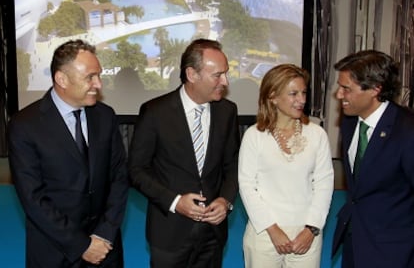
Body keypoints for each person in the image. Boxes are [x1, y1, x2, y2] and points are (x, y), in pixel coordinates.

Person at [7, 39, 129, 267]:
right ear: (61, 79)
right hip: (55, 251)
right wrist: (81, 245)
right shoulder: (25, 125)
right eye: (89, 77)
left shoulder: (105, 116)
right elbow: (33, 198)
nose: (99, 84)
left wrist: (104, 233)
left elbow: (119, 178)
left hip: (105, 249)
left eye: (99, 75)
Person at [128, 38, 240, 267]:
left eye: (226, 73)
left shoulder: (227, 111)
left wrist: (225, 200)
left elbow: (232, 164)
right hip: (169, 232)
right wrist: (175, 201)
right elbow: (136, 170)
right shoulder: (155, 112)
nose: (225, 81)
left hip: (213, 234)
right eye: (217, 75)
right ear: (192, 74)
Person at [238, 64, 334, 268]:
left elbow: (324, 184)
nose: (302, 100)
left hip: (306, 234)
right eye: (293, 94)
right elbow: (247, 186)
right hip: (263, 232)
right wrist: (272, 229)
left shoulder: (317, 134)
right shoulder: (254, 136)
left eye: (303, 92)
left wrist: (311, 229)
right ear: (272, 96)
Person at [332, 50, 414, 267]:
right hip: (354, 241)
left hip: (393, 251)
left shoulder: (407, 130)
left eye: (346, 89)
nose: (339, 95)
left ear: (375, 89)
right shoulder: (350, 120)